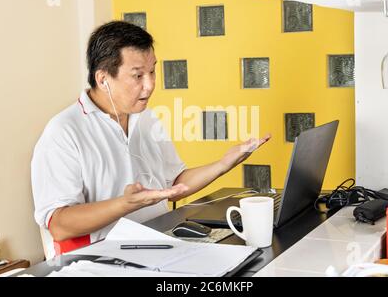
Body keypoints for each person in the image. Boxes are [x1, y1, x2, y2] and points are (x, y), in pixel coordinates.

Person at [31, 21, 270, 256]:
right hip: (99, 261)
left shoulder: (145, 117)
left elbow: (174, 183)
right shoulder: (63, 132)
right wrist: (125, 204)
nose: (151, 85)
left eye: (153, 71)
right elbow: (59, 225)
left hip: (159, 246)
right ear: (103, 79)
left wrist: (223, 164)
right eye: (138, 76)